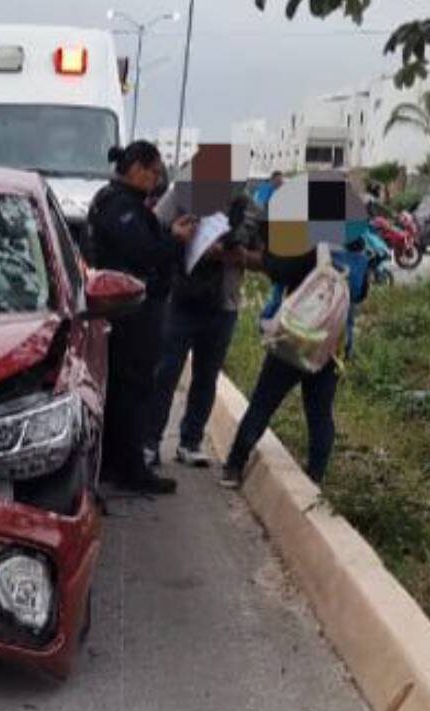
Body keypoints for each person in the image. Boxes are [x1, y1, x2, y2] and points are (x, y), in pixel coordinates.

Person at [222, 176, 370, 489]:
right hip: (332, 345)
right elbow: (360, 293)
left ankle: (234, 466)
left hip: (296, 338)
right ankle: (315, 478)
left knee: (263, 402)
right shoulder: (356, 248)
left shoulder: (308, 240)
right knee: (319, 413)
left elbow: (278, 270)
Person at [88, 141, 197, 494]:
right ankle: (130, 469)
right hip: (131, 315)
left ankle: (115, 464)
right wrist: (176, 239)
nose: (157, 179)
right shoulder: (120, 207)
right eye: (155, 171)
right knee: (133, 390)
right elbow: (145, 254)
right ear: (136, 168)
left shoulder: (118, 202)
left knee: (123, 390)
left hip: (123, 310)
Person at [145, 191, 265, 468]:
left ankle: (190, 442)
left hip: (224, 305)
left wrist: (238, 256)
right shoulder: (182, 195)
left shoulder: (249, 210)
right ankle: (149, 442)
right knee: (164, 373)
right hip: (180, 300)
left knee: (206, 376)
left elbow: (266, 259)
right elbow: (151, 231)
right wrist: (184, 240)